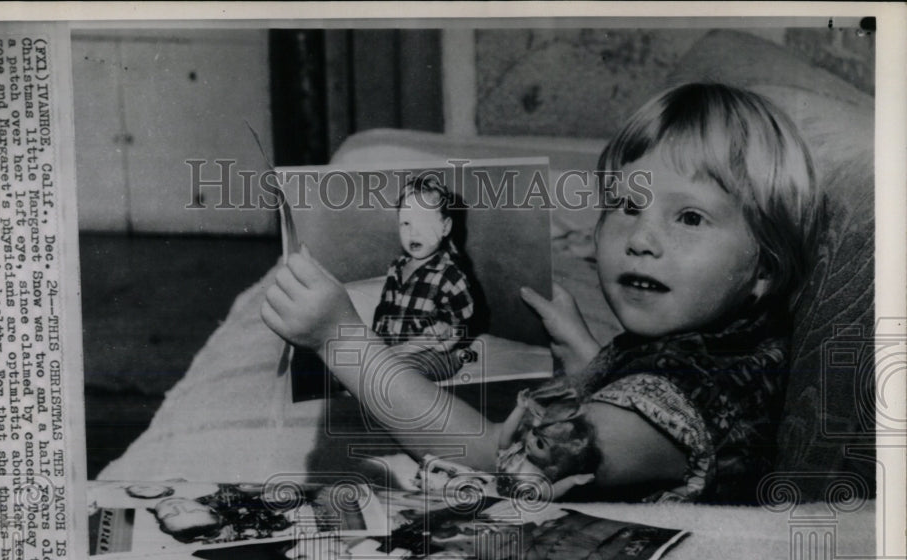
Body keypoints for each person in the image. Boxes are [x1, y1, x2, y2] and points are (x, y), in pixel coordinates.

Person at [261, 83, 819, 504]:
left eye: (690, 218)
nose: (642, 238)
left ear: (764, 269)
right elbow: (637, 391)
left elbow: (490, 458)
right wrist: (590, 360)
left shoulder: (694, 399)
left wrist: (343, 342)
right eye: (627, 205)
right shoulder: (723, 341)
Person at [370, 173, 478, 380]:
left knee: (403, 374)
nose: (414, 232)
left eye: (424, 222)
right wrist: (375, 340)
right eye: (406, 223)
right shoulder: (396, 267)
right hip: (396, 348)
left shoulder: (449, 274)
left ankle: (460, 355)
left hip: (433, 351)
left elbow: (464, 318)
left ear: (445, 227)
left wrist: (452, 335)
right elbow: (384, 310)